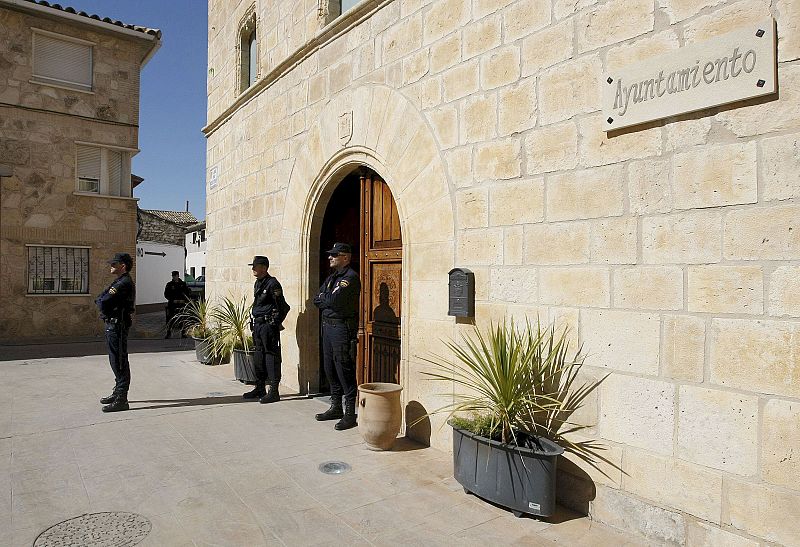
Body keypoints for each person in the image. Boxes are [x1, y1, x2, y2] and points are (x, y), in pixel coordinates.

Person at [313, 242, 361, 430]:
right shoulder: (333, 277)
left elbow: (334, 300)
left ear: (346, 257)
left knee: (344, 369)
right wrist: (326, 299)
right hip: (328, 327)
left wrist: (326, 299)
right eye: (330, 254)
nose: (330, 257)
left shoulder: (349, 278)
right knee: (329, 367)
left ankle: (350, 413)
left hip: (341, 328)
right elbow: (317, 299)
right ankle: (336, 407)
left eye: (335, 254)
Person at [244, 255, 290, 404]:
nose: (253, 269)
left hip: (267, 327)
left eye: (255, 266)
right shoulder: (258, 283)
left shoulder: (272, 284)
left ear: (264, 267)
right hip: (257, 326)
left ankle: (274, 391)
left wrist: (274, 323)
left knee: (271, 358)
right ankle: (260, 387)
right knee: (259, 357)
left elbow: (283, 307)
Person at [95, 252, 136, 412]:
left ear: (122, 266)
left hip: (117, 325)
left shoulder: (124, 283)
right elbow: (101, 297)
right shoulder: (119, 281)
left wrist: (102, 303)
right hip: (112, 324)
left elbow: (104, 301)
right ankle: (117, 391)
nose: (111, 266)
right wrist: (101, 301)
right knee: (114, 360)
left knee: (119, 361)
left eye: (114, 264)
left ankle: (121, 399)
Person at [164, 270, 191, 338]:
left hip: (181, 304)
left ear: (178, 276)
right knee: (170, 319)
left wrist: (184, 300)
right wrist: (172, 300)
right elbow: (166, 294)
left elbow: (187, 293)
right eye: (173, 276)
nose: (174, 277)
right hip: (173, 304)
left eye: (175, 276)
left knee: (182, 319)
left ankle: (183, 333)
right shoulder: (169, 284)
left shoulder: (183, 284)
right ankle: (169, 333)